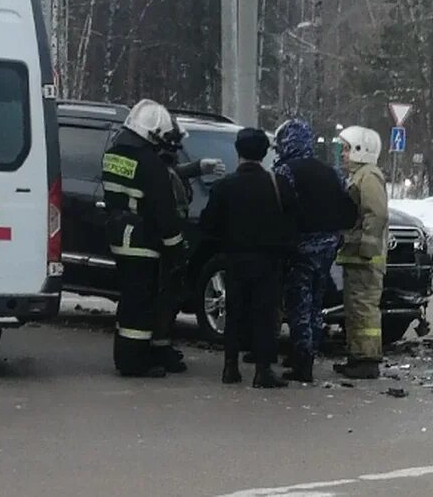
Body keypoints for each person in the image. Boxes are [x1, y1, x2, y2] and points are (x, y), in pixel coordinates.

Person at [200, 128, 297, 388]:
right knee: (265, 314)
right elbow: (293, 220)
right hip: (269, 260)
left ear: (238, 151)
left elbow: (208, 224)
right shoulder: (278, 184)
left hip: (234, 258)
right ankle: (263, 371)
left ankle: (230, 367)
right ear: (265, 153)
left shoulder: (224, 186)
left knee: (234, 313)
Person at [101, 99, 187, 378]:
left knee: (131, 298)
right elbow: (164, 213)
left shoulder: (114, 153)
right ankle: (133, 362)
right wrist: (177, 250)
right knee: (140, 304)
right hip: (142, 240)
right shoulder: (150, 164)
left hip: (118, 232)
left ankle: (134, 354)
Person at [273, 118, 355, 382]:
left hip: (300, 246)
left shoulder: (285, 171)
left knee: (298, 303)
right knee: (316, 302)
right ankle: (309, 350)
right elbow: (347, 207)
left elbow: (282, 208)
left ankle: (302, 360)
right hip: (328, 244)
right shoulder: (332, 172)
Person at [151, 127, 226, 374]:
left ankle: (161, 345)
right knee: (164, 296)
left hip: (172, 237)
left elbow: (173, 172)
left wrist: (198, 167)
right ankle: (157, 348)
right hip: (165, 240)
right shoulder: (156, 166)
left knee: (170, 295)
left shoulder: (163, 165)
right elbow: (167, 176)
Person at [334, 126, 388, 380]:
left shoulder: (369, 176)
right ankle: (357, 356)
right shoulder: (360, 176)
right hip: (356, 256)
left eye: (346, 149)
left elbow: (376, 214)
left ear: (361, 150)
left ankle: (366, 360)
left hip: (365, 258)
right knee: (355, 308)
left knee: (364, 308)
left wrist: (367, 248)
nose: (343, 154)